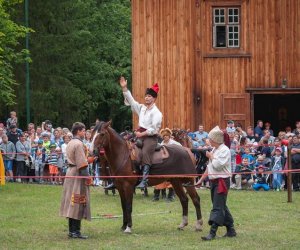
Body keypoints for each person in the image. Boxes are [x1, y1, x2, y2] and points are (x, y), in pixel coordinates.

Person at [120, 76, 162, 189]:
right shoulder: (142, 108)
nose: (147, 98)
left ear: (154, 98)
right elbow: (132, 102)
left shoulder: (157, 113)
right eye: (146, 96)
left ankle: (144, 180)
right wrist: (125, 89)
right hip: (139, 135)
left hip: (150, 138)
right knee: (125, 147)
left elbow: (154, 129)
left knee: (145, 153)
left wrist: (141, 134)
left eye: (149, 96)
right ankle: (121, 178)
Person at [195, 126, 236, 240]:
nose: (209, 140)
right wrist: (200, 180)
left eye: (211, 139)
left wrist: (211, 156)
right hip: (214, 181)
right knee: (221, 205)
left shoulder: (225, 150)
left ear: (216, 140)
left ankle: (212, 233)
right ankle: (231, 230)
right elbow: (210, 168)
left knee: (217, 207)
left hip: (222, 181)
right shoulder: (214, 149)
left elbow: (218, 165)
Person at [60, 122, 91, 239]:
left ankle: (72, 231)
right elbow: (82, 165)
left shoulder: (70, 142)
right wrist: (87, 178)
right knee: (77, 201)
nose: (84, 132)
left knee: (72, 202)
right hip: (78, 174)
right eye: (83, 130)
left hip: (70, 172)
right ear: (78, 131)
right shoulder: (78, 144)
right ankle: (75, 232)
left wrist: (89, 160)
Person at [152, 128, 180, 202]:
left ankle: (171, 196)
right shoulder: (161, 144)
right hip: (163, 164)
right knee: (161, 179)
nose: (165, 137)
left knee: (172, 179)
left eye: (167, 136)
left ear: (169, 136)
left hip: (173, 164)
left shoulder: (175, 143)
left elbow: (180, 151)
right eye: (164, 136)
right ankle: (156, 196)